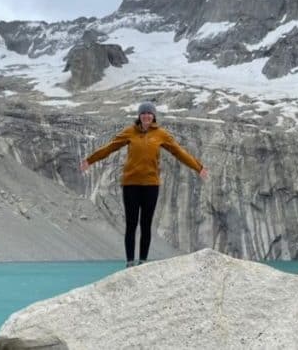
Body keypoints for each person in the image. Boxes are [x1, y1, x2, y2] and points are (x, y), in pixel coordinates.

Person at [80, 101, 208, 267]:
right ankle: (130, 262)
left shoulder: (161, 134)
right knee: (131, 224)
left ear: (153, 116)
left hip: (151, 185)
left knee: (146, 225)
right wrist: (90, 160)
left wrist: (198, 167)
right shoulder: (129, 132)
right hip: (131, 184)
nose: (146, 116)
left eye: (149, 113)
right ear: (139, 116)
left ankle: (142, 262)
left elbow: (179, 152)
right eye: (143, 113)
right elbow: (110, 147)